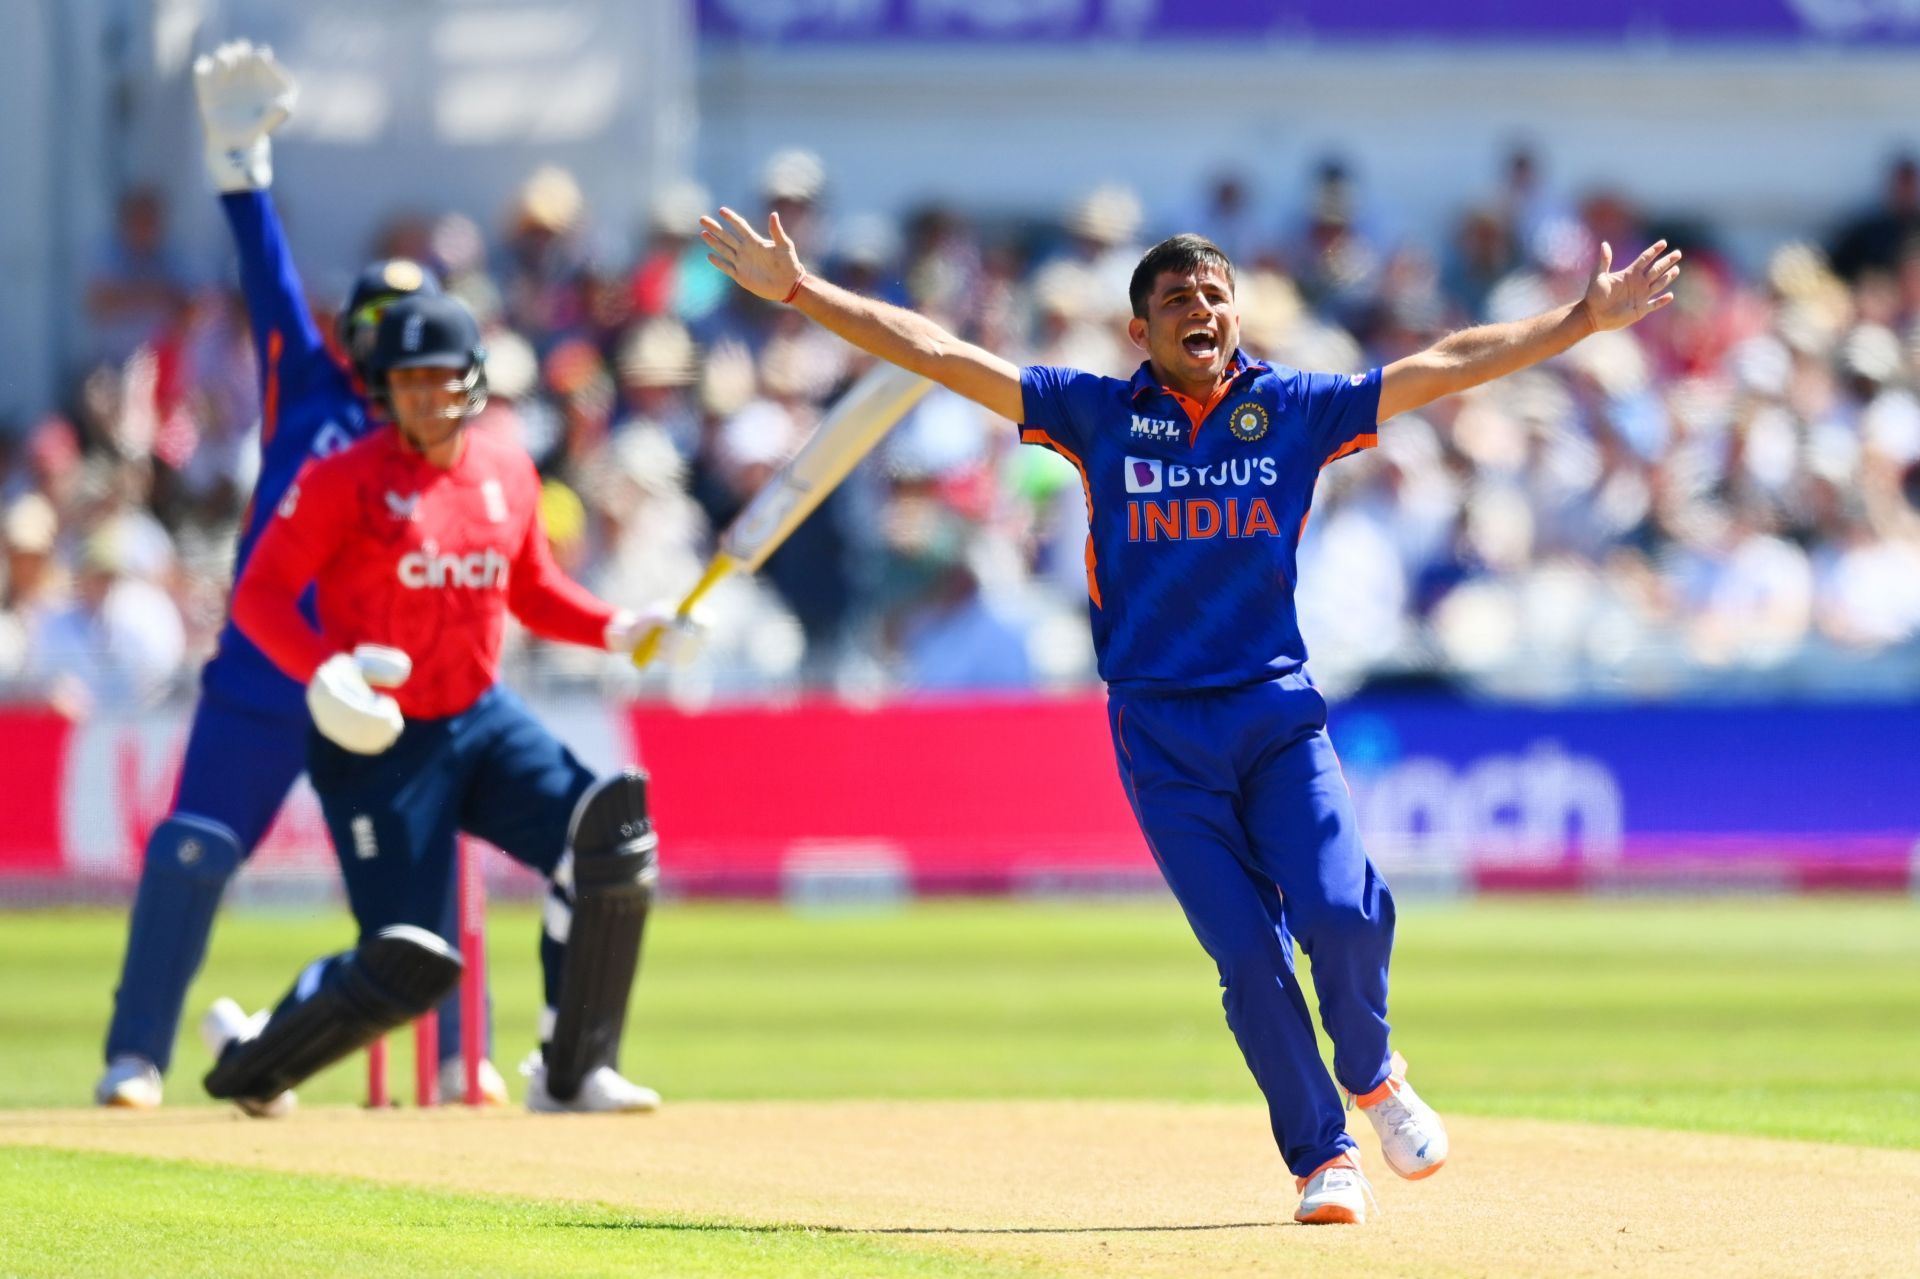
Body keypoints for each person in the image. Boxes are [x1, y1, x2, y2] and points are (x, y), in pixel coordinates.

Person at [699, 204, 1680, 1224]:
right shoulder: (1094, 415)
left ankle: (1374, 1070)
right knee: (1249, 958)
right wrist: (802, 292)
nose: (1200, 309)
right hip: (1160, 732)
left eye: (1215, 295)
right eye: (1176, 300)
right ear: (1142, 334)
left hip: (1276, 712)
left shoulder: (1293, 409)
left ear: (1238, 318)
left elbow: (1446, 363)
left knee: (1341, 915)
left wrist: (1579, 321)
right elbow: (939, 350)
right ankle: (1322, 1157)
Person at [95, 40, 492, 1109]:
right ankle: (135, 1056)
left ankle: (462, 1059)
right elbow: (267, 277)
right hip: (270, 676)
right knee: (188, 849)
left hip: (388, 681)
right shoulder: (304, 389)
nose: (404, 357)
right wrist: (241, 170)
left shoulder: (442, 435)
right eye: (387, 332)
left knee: (427, 875)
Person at [206, 291, 670, 1117]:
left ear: (472, 381)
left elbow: (530, 589)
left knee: (609, 844)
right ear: (383, 389)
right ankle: (253, 1053)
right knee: (407, 964)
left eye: (439, 377)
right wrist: (325, 675)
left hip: (479, 715)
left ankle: (572, 1072)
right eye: (406, 380)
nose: (423, 395)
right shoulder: (340, 480)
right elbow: (261, 595)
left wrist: (620, 627)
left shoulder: (506, 469)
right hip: (375, 736)